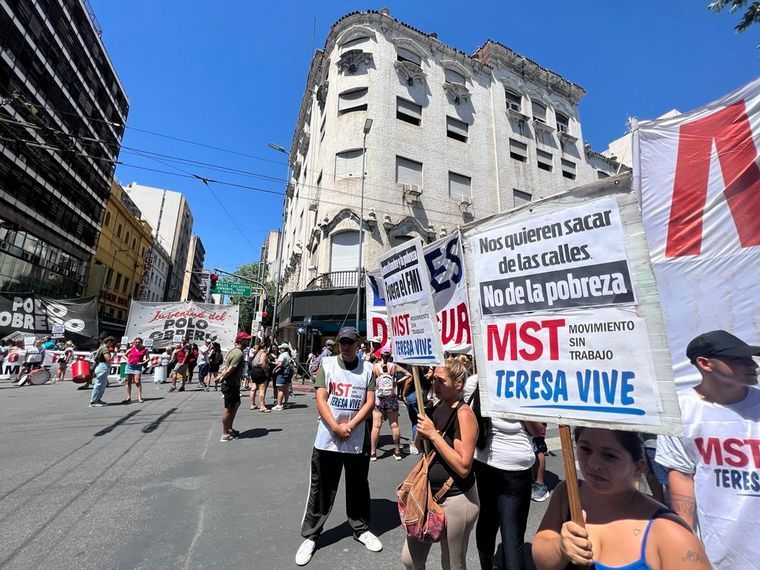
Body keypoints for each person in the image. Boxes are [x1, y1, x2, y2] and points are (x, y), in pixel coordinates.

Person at [533, 427, 710, 570]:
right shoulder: (568, 495)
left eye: (609, 455)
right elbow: (541, 559)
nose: (593, 464)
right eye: (585, 449)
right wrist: (561, 548)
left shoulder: (670, 532)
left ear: (638, 467)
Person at [656, 330, 760, 569]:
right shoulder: (681, 410)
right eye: (739, 359)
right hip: (719, 550)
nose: (752, 365)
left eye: (751, 358)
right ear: (704, 363)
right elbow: (682, 475)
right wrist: (686, 541)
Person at [295, 326, 381, 566]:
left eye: (350, 342)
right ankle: (312, 535)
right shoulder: (328, 364)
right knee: (321, 488)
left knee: (358, 485)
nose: (345, 346)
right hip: (328, 439)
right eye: (342, 342)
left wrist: (350, 426)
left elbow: (369, 402)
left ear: (358, 344)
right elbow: (321, 399)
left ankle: (360, 528)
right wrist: (335, 426)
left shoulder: (367, 369)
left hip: (356, 438)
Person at [402, 359, 479, 570]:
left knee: (452, 564)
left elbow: (464, 467)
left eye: (441, 381)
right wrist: (421, 434)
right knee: (410, 559)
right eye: (434, 379)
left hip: (457, 499)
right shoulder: (436, 406)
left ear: (458, 384)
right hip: (427, 496)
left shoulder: (463, 414)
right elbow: (423, 449)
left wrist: (433, 435)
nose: (435, 385)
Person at [464, 375, 541, 570]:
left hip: (483, 460)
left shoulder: (474, 381)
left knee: (487, 518)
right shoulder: (524, 383)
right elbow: (536, 430)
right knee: (512, 531)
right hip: (516, 465)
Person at [370, 346, 402, 461]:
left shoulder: (375, 367)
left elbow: (370, 380)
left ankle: (373, 453)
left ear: (380, 355)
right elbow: (409, 375)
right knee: (394, 425)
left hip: (379, 398)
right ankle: (397, 452)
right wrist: (396, 383)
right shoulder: (394, 366)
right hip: (391, 399)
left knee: (376, 426)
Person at [217, 332, 251, 442]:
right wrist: (221, 378)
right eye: (246, 340)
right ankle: (225, 434)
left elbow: (226, 366)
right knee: (229, 409)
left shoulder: (234, 351)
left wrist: (220, 376)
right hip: (230, 384)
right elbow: (230, 369)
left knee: (236, 404)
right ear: (241, 340)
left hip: (233, 384)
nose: (248, 341)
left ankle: (229, 428)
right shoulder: (238, 353)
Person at [402, 365, 431, 455]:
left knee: (415, 421)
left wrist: (404, 393)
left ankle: (415, 445)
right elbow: (430, 372)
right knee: (419, 419)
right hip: (420, 392)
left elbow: (409, 379)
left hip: (412, 393)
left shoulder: (412, 364)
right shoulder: (421, 365)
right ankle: (421, 443)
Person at [89, 337, 115, 407]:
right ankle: (93, 401)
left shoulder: (101, 348)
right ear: (109, 342)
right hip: (103, 366)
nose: (112, 345)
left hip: (100, 366)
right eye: (112, 343)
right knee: (99, 384)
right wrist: (113, 356)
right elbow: (107, 359)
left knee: (102, 385)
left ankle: (97, 399)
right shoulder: (105, 349)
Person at [123, 337, 149, 404]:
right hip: (129, 366)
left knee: (137, 381)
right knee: (128, 381)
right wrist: (127, 360)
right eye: (136, 342)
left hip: (137, 367)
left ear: (141, 343)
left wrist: (143, 362)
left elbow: (148, 358)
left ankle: (139, 397)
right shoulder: (131, 348)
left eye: (138, 342)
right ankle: (128, 397)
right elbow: (124, 355)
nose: (137, 343)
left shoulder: (144, 349)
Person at [249, 342, 270, 412]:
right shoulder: (263, 353)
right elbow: (262, 363)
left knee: (253, 388)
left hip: (254, 371)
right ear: (265, 347)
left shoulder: (256, 353)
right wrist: (266, 371)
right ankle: (262, 406)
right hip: (260, 371)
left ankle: (252, 404)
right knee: (262, 389)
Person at [272, 343, 292, 411]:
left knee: (280, 390)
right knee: (286, 389)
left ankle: (279, 405)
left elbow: (280, 364)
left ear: (284, 349)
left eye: (281, 348)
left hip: (281, 373)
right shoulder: (288, 355)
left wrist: (275, 368)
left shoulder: (282, 355)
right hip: (287, 373)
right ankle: (285, 403)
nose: (280, 349)